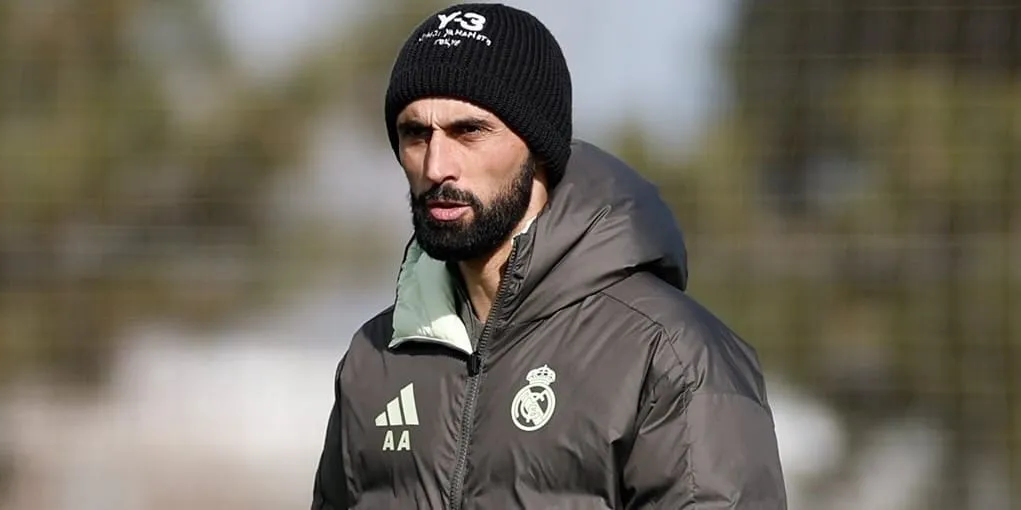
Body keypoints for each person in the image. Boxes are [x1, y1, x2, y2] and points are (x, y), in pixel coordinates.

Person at [311, 3, 788, 509]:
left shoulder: (670, 354)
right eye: (415, 134)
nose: (436, 166)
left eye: (469, 131)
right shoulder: (373, 359)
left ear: (537, 146)